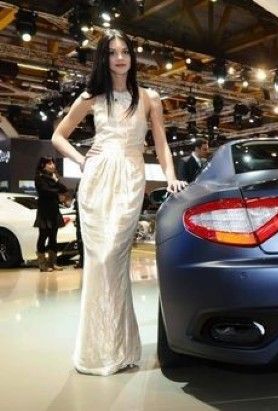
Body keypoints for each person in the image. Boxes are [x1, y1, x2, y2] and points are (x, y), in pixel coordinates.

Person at [51, 30, 187, 376]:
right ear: (104, 58)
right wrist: (82, 161)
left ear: (132, 56)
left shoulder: (149, 97)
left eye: (125, 51)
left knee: (113, 257)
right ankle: (104, 351)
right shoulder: (91, 97)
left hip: (129, 179)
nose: (120, 57)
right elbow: (58, 136)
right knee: (100, 264)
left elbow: (160, 142)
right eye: (112, 52)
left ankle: (117, 347)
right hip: (97, 181)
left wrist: (170, 176)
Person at [33, 157, 67, 272]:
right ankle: (42, 264)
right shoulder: (39, 177)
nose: (53, 165)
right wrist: (57, 192)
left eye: (53, 163)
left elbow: (64, 189)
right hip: (44, 212)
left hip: (54, 211)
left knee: (53, 238)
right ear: (43, 165)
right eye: (49, 163)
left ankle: (52, 263)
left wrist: (56, 181)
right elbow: (45, 191)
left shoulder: (53, 177)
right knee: (43, 237)